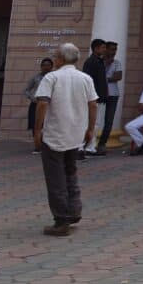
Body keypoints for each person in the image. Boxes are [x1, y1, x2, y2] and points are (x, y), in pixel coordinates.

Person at [33, 42, 97, 236]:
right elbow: (93, 105)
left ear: (59, 59)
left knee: (56, 179)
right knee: (70, 173)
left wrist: (37, 130)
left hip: (54, 134)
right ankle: (74, 210)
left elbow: (42, 104)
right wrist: (90, 130)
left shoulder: (51, 77)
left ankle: (61, 220)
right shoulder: (85, 78)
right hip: (76, 134)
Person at [80, 38, 108, 157]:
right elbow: (88, 81)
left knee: (96, 123)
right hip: (93, 98)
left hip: (98, 97)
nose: (104, 49)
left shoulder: (98, 61)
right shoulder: (92, 62)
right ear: (96, 48)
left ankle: (90, 146)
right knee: (90, 123)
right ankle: (84, 147)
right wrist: (93, 96)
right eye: (103, 47)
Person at [96, 40, 123, 153]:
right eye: (112, 49)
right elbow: (96, 76)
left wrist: (104, 79)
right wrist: (106, 65)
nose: (114, 52)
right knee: (95, 118)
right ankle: (90, 142)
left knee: (109, 120)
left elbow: (118, 77)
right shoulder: (98, 62)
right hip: (99, 94)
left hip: (113, 95)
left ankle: (102, 144)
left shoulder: (117, 63)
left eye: (115, 49)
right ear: (105, 49)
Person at [24, 57, 53, 149]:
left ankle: (46, 145)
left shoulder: (55, 78)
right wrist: (33, 98)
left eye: (48, 65)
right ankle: (37, 146)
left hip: (50, 105)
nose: (46, 67)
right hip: (36, 105)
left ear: (52, 67)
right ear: (41, 67)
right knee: (36, 124)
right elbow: (27, 90)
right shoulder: (36, 78)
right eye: (44, 65)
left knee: (48, 125)